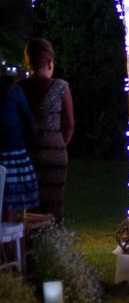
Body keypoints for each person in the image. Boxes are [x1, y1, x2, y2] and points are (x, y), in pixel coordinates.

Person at [19, 39, 74, 222]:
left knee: (30, 204)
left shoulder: (20, 89)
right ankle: (54, 241)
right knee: (55, 202)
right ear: (50, 61)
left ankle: (31, 244)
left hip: (29, 153)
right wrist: (58, 145)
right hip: (55, 154)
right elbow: (69, 124)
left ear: (30, 62)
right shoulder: (61, 87)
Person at [0, 61, 39, 222]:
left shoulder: (13, 91)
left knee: (9, 205)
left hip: (13, 152)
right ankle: (11, 243)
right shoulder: (13, 90)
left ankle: (9, 243)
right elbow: (30, 123)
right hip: (13, 153)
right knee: (12, 206)